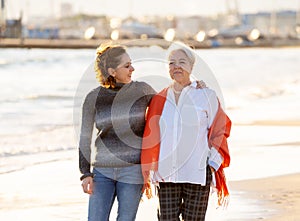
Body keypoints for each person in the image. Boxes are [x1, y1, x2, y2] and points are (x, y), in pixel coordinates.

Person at [141, 46, 231, 221]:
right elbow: (151, 135)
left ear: (191, 66)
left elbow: (221, 129)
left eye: (182, 62)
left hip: (196, 172)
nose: (176, 67)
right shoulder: (159, 99)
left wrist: (212, 163)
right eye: (172, 63)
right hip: (166, 174)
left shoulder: (206, 95)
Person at [78, 43, 156, 221]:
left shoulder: (142, 90)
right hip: (102, 172)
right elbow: (84, 138)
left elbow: (168, 107)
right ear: (112, 71)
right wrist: (85, 173)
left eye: (131, 64)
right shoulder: (93, 98)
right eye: (127, 66)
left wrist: (192, 86)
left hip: (133, 171)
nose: (132, 69)